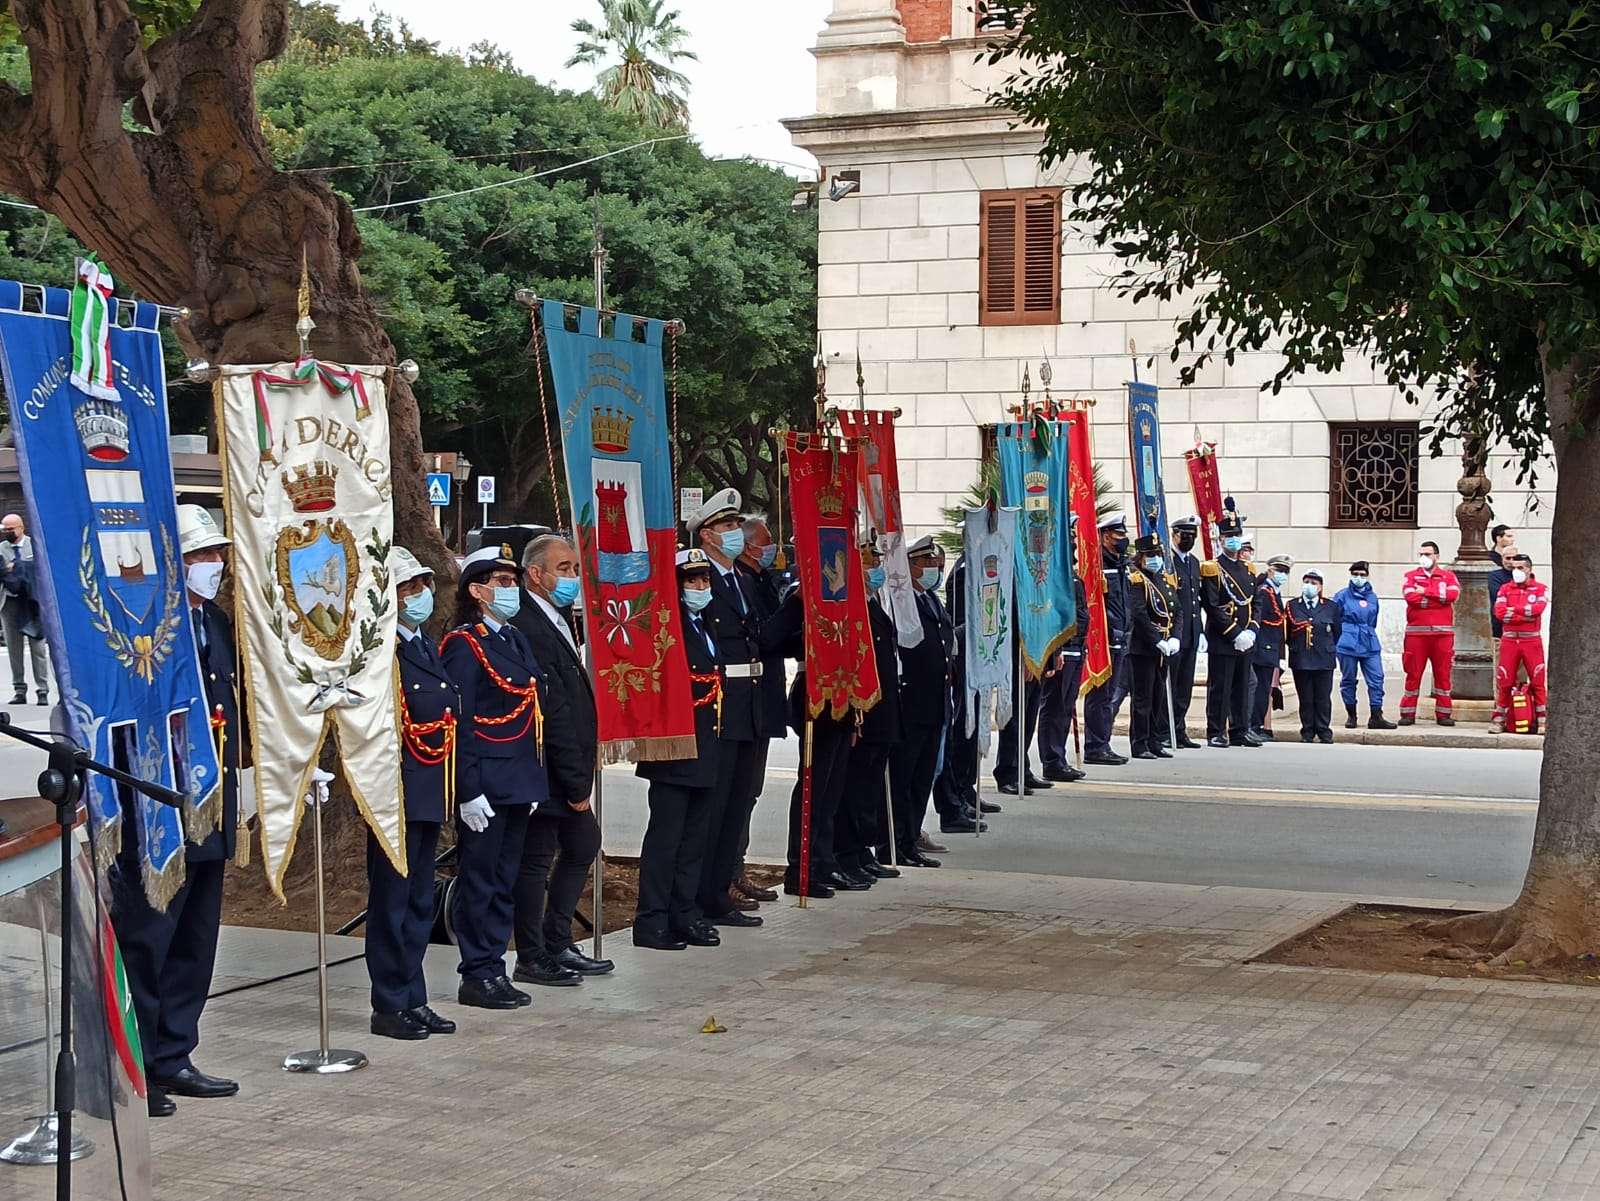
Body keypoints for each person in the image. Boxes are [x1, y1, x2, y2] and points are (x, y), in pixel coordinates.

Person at [113, 503, 244, 1117]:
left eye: (215, 554)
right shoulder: (145, 625)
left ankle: (174, 1054)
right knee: (149, 937)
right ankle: (134, 1068)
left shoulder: (214, 620)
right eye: (199, 555)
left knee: (196, 936)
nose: (212, 564)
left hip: (210, 800)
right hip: (158, 803)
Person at [439, 545, 555, 1010]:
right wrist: (468, 790)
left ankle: (494, 968)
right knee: (480, 880)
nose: (512, 589)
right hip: (485, 784)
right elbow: (461, 721)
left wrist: (532, 778)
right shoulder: (464, 645)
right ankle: (477, 972)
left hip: (517, 782)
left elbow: (529, 712)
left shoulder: (513, 638)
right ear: (476, 590)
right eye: (502, 582)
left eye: (513, 581)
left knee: (504, 879)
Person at [367, 547, 462, 1040]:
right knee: (393, 902)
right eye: (407, 588)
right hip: (396, 792)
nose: (419, 595)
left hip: (429, 788)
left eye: (422, 585)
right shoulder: (380, 652)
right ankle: (389, 1003)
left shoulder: (424, 645)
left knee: (420, 900)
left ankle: (414, 997)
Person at [507, 534, 609, 985]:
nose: (572, 578)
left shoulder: (557, 616)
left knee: (583, 845)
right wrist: (574, 779)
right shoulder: (529, 623)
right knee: (536, 860)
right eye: (563, 569)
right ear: (535, 574)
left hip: (568, 767)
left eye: (574, 569)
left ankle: (557, 941)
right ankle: (531, 955)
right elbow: (554, 709)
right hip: (547, 768)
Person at [633, 549, 727, 949]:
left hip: (706, 744)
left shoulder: (704, 624)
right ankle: (652, 919)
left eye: (704, 580)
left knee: (693, 841)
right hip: (674, 750)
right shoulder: (665, 627)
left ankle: (683, 913)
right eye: (691, 581)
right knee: (666, 840)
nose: (700, 587)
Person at [687, 488, 765, 930]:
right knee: (713, 811)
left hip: (747, 703)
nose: (737, 532)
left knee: (736, 805)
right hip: (719, 702)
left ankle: (718, 895)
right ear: (707, 534)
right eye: (729, 526)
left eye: (737, 524)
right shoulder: (700, 580)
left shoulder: (741, 580)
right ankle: (699, 898)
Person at [892, 536, 971, 842]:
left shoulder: (929, 599)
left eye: (936, 563)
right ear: (911, 566)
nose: (935, 568)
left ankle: (911, 837)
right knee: (904, 778)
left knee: (924, 777)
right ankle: (898, 841)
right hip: (913, 704)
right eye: (927, 562)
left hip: (936, 704)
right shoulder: (902, 603)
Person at [731, 513, 786, 909]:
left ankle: (737, 868)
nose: (772, 549)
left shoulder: (760, 579)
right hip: (745, 702)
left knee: (750, 792)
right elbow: (764, 635)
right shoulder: (742, 581)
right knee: (738, 793)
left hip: (763, 699)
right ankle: (727, 874)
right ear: (749, 546)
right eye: (766, 542)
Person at [839, 565, 904, 881]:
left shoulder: (873, 602)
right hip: (865, 712)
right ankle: (848, 852)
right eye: (867, 559)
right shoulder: (851, 606)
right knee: (855, 786)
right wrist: (855, 714)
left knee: (871, 786)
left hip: (883, 709)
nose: (875, 566)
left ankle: (863, 850)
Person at [1200, 512, 1259, 748]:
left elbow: (1256, 603)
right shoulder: (1213, 568)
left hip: (1246, 638)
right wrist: (1235, 633)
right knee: (1220, 688)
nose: (1233, 540)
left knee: (1242, 687)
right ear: (1221, 539)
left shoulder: (1249, 569)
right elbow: (1212, 605)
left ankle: (1240, 730)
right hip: (1223, 638)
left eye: (1236, 535)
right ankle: (1216, 731)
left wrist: (1251, 630)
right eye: (1229, 536)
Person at [1037, 518, 1089, 781]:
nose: (1073, 545)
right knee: (1054, 708)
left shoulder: (1071, 574)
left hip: (1076, 650)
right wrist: (1057, 649)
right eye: (1069, 541)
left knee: (1065, 708)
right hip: (1062, 651)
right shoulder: (1051, 575)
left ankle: (1059, 757)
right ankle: (1052, 761)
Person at [1083, 513, 1133, 766]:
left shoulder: (1121, 564)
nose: (1123, 539)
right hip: (1104, 638)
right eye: (1118, 535)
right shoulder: (1098, 564)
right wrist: (1111, 628)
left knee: (1109, 695)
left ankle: (1103, 743)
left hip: (1122, 637)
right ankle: (1095, 746)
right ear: (1104, 537)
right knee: (1100, 696)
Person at [1127, 534, 1179, 760]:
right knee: (1143, 698)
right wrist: (1156, 640)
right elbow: (1139, 613)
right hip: (1143, 647)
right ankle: (1140, 743)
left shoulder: (1164, 580)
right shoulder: (1137, 580)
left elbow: (1177, 611)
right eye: (1150, 555)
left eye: (1158, 554)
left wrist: (1175, 637)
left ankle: (1154, 740)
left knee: (1158, 695)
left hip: (1164, 647)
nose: (1155, 559)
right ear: (1141, 558)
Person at [1399, 540, 1461, 726]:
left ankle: (1444, 714)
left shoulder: (1448, 576)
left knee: (1443, 675)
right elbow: (1411, 597)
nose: (1423, 558)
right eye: (1421, 554)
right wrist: (1438, 600)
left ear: (1437, 556)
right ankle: (1407, 713)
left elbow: (1452, 595)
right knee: (1413, 674)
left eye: (1427, 554)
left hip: (1442, 635)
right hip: (1416, 636)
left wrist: (1425, 591)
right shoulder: (1410, 576)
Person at [1491, 553, 1548, 734]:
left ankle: (1542, 720)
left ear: (1529, 569)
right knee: (1505, 680)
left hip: (1531, 640)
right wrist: (1524, 615)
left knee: (1537, 680)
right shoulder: (1505, 589)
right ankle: (1499, 720)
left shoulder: (1540, 589)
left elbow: (1537, 609)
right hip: (1509, 640)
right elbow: (1500, 613)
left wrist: (1514, 609)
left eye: (1520, 568)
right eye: (1514, 568)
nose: (1516, 571)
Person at [1333, 562, 1395, 729]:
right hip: (1347, 641)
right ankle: (1351, 715)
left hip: (1369, 640)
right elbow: (1334, 619)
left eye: (1362, 574)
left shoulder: (1372, 597)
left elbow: (1373, 620)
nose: (1358, 578)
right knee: (1348, 679)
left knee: (1376, 678)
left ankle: (1376, 715)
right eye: (1355, 574)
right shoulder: (1341, 596)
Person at [0, 511, 49, 705]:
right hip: (9, 602)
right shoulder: (1, 548)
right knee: (14, 648)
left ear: (21, 527)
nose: (7, 532)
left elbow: (41, 568)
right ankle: (19, 689)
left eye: (11, 529)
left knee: (38, 647)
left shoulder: (34, 545)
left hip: (32, 603)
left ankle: (42, 689)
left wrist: (17, 566)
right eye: (5, 529)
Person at [1287, 570, 1342, 743]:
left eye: (1313, 583)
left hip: (1324, 658)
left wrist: (1327, 647)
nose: (1309, 586)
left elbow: (1337, 632)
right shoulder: (1292, 605)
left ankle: (1324, 731)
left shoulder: (1331, 606)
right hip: (1301, 658)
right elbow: (1287, 632)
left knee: (1323, 697)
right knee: (1305, 697)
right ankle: (1307, 731)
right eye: (1307, 582)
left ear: (1320, 587)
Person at [1167, 515, 1205, 748]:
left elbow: (1195, 600)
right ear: (1174, 535)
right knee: (1169, 685)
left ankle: (1179, 729)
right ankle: (1166, 730)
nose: (1189, 539)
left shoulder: (1194, 563)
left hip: (1191, 633)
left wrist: (1200, 631)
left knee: (1184, 687)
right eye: (1185, 535)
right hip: (1173, 633)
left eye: (1192, 536)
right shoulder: (1167, 561)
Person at [1249, 554, 1293, 740]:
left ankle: (1256, 725)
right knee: (1260, 689)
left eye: (1286, 571)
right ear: (1269, 571)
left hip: (1271, 649)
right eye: (1279, 570)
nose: (1282, 574)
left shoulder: (1274, 592)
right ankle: (1253, 726)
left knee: (1264, 689)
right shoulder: (1264, 592)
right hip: (1262, 649)